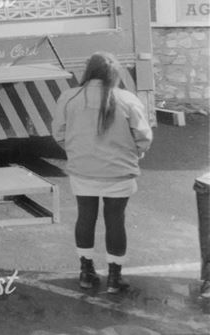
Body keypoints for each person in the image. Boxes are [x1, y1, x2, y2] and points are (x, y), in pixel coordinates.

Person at [51, 52, 153, 294]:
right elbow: (143, 136)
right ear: (113, 74)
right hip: (119, 173)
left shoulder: (69, 97)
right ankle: (115, 278)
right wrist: (136, 154)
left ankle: (86, 272)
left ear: (88, 72)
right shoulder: (127, 99)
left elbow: (59, 132)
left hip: (83, 171)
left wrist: (76, 151)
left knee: (85, 216)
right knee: (116, 220)